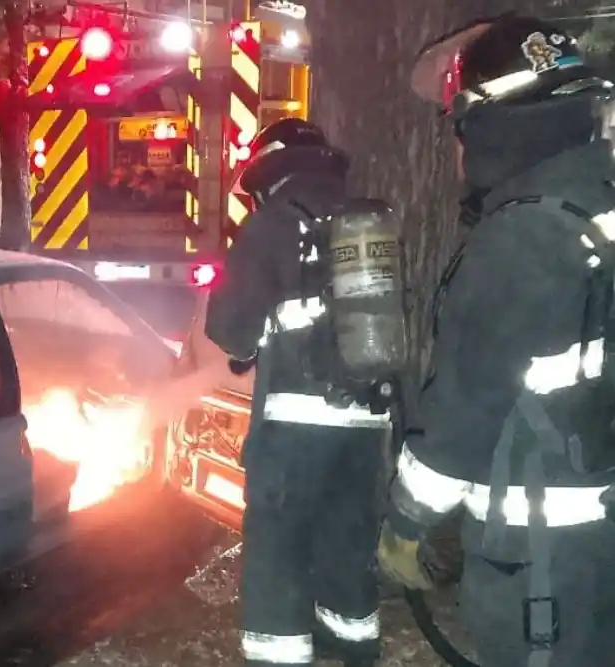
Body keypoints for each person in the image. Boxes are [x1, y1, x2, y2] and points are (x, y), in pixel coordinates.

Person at [377, 13, 615, 667]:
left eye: (461, 127)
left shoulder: (519, 238)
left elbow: (466, 407)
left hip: (541, 556)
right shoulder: (596, 204)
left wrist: (407, 520)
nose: (458, 151)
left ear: (494, 124)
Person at [204, 118, 392, 667]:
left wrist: (246, 343)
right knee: (348, 536)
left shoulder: (273, 224)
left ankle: (280, 654)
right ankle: (353, 642)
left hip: (295, 423)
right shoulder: (363, 221)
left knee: (277, 543)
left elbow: (231, 328)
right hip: (368, 417)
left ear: (267, 171)